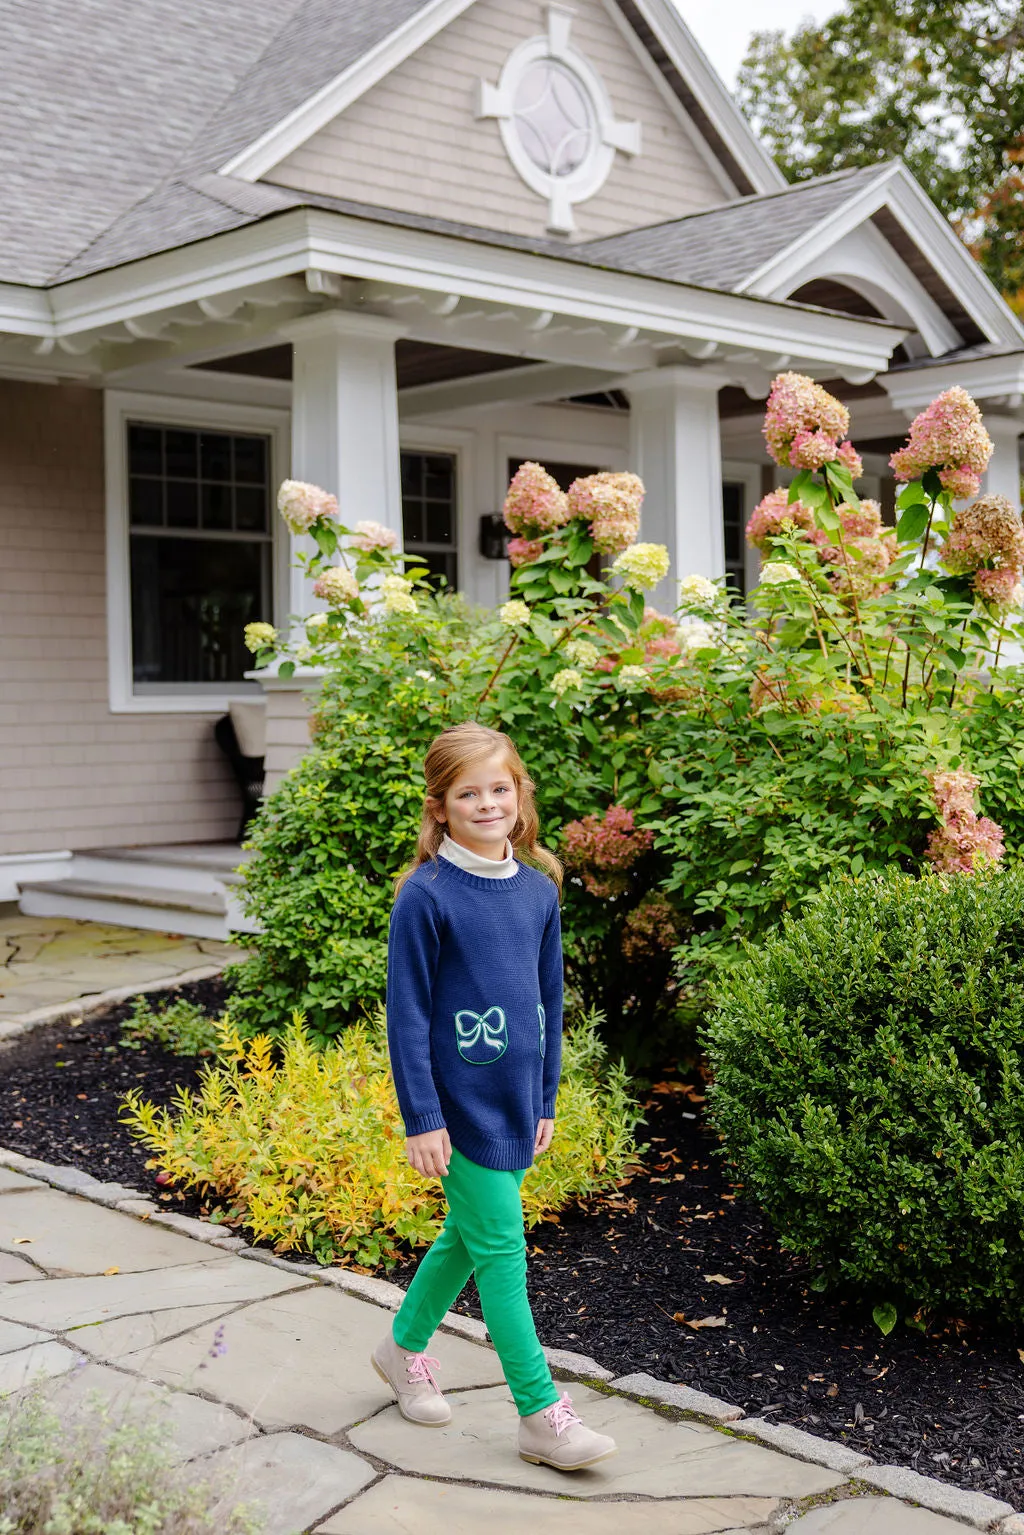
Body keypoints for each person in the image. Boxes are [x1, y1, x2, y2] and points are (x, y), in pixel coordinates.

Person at [372, 721, 617, 1471]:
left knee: (469, 1237)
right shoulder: (427, 896)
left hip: (516, 1100)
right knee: (503, 1250)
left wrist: (545, 1097)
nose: (487, 802)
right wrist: (422, 1117)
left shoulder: (538, 890)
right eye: (467, 792)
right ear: (439, 806)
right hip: (456, 1107)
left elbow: (548, 999)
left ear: (519, 796)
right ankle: (542, 1414)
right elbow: (407, 1014)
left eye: (499, 788)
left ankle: (399, 1347)